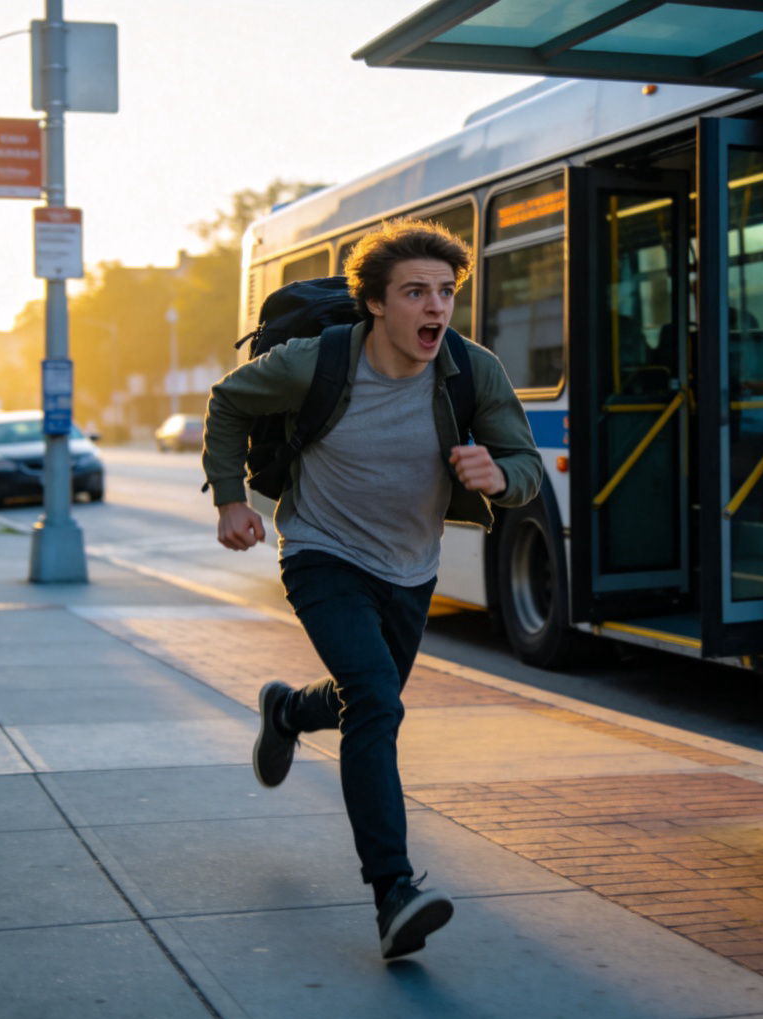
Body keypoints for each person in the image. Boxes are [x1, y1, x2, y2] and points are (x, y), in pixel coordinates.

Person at [201, 218, 543, 959]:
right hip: (323, 553)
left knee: (366, 693)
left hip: (411, 570)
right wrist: (231, 498)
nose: (435, 308)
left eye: (446, 293)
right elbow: (229, 401)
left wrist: (501, 475)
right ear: (377, 304)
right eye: (415, 292)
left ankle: (288, 710)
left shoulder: (471, 369)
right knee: (379, 704)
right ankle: (394, 891)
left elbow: (526, 467)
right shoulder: (314, 363)